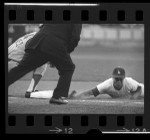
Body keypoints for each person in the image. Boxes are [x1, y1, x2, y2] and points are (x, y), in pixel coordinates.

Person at [8, 24, 82, 104]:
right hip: (54, 43)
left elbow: (45, 27)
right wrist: (66, 52)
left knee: (21, 68)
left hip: (37, 40)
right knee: (68, 68)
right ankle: (57, 97)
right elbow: (75, 37)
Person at [8, 31, 49, 97]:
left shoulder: (35, 34)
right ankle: (31, 91)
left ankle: (32, 89)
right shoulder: (42, 37)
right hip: (12, 63)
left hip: (10, 60)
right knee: (42, 62)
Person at [68, 66, 144, 100]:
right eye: (116, 78)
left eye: (120, 78)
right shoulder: (107, 85)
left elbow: (139, 88)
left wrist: (134, 97)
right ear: (112, 77)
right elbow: (90, 92)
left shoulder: (129, 82)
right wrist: (76, 96)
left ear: (124, 78)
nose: (118, 80)